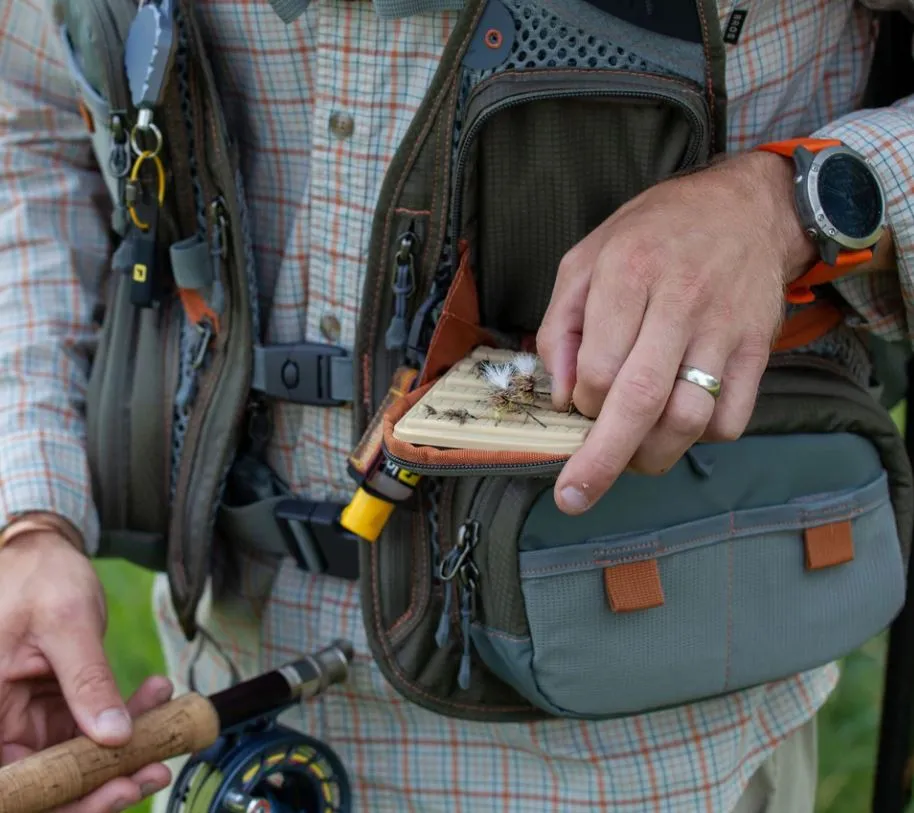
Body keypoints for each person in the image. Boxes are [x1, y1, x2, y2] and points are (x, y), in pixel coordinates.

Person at [0, 1, 912, 811]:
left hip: (656, 755)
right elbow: (33, 129)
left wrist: (788, 207)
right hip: (228, 708)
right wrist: (30, 521)